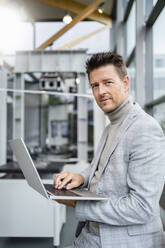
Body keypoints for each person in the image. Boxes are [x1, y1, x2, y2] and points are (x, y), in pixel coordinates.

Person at [54, 52, 165, 248]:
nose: (101, 91)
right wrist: (81, 177)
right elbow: (101, 169)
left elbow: (142, 208)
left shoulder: (145, 129)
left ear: (125, 82)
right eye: (95, 85)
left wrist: (77, 204)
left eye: (107, 82)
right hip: (91, 234)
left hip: (121, 241)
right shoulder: (111, 126)